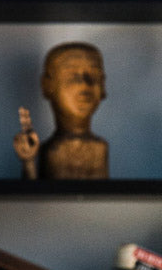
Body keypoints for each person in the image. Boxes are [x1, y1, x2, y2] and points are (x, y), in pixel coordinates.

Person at [13, 42, 108, 179]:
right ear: (47, 85)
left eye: (93, 75)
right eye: (72, 76)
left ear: (103, 85)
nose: (84, 84)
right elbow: (36, 192)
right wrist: (28, 162)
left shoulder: (101, 147)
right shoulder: (50, 149)